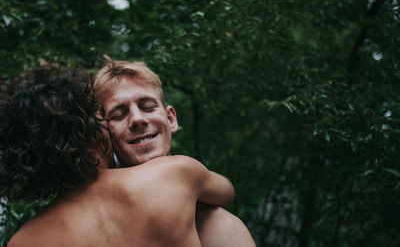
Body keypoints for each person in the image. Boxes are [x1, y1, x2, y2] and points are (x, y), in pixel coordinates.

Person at [1, 68, 235, 246]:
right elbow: (226, 192)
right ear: (93, 132)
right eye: (104, 116)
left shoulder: (23, 241)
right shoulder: (172, 174)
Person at [94, 58, 256, 247]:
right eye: (119, 114)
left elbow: (227, 193)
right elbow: (226, 192)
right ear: (104, 133)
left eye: (147, 106)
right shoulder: (94, 210)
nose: (137, 119)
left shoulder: (215, 222)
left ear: (171, 119)